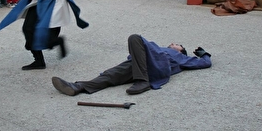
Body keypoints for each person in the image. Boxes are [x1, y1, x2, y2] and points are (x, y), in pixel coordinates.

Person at [52, 34, 212, 96]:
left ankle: (143, 82)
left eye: (177, 44)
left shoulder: (178, 57)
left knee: (134, 38)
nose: (172, 43)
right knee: (111, 75)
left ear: (181, 50)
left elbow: (204, 63)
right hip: (138, 65)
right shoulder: (161, 50)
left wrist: (203, 53)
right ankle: (78, 87)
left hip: (154, 68)